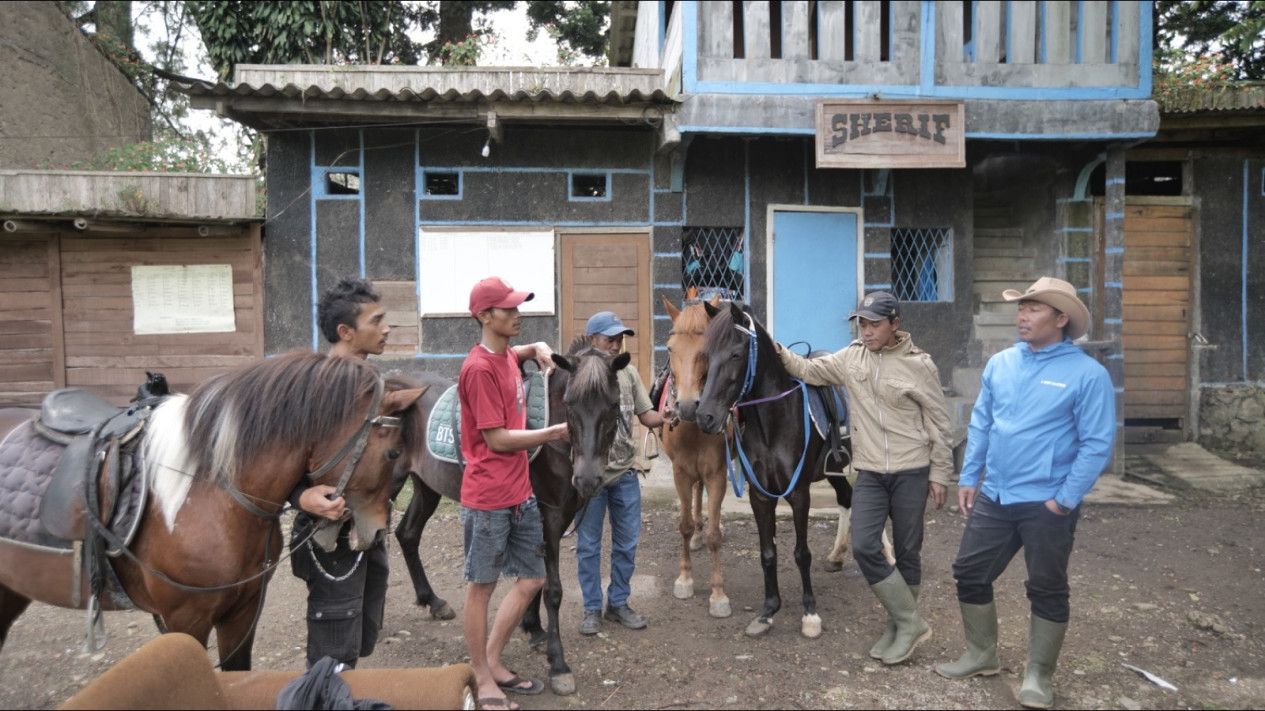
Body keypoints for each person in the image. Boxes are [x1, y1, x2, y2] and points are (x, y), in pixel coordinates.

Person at [935, 276, 1114, 710]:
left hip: (1047, 503)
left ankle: (1038, 674)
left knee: (1047, 587)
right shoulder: (1002, 364)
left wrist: (1064, 499)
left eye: (1034, 308)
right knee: (970, 572)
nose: (1022, 316)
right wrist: (969, 476)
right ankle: (981, 654)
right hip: (995, 495)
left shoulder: (1088, 375)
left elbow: (1097, 443)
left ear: (1061, 318)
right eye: (1021, 308)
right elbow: (982, 424)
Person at [774, 291, 954, 665]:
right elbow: (809, 371)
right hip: (870, 470)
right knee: (864, 546)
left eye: (874, 324)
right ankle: (911, 622)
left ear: (895, 325)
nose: (867, 330)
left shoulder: (921, 366)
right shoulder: (851, 356)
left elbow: (939, 422)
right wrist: (777, 350)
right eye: (862, 323)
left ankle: (899, 626)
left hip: (912, 470)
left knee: (907, 552)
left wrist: (940, 473)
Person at [459, 276, 569, 711]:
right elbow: (498, 440)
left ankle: (492, 659)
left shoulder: (505, 354)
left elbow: (514, 353)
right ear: (486, 317)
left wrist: (536, 346)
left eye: (518, 307)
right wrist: (556, 431)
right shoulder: (480, 369)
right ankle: (482, 675)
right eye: (509, 309)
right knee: (481, 588)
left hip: (520, 492)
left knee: (534, 578)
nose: (517, 314)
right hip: (488, 498)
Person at [288, 276, 392, 669]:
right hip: (327, 535)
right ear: (345, 332)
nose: (386, 328)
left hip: (368, 528)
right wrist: (301, 496)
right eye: (377, 321)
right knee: (332, 652)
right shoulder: (312, 389)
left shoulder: (372, 384)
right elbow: (278, 462)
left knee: (358, 639)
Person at [575, 311, 666, 636]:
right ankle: (590, 609)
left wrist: (667, 414)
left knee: (626, 544)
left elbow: (646, 415)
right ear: (592, 340)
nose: (615, 345)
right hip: (591, 479)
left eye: (619, 339)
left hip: (626, 473)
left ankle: (618, 603)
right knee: (588, 545)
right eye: (609, 338)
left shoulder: (627, 373)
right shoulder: (582, 375)